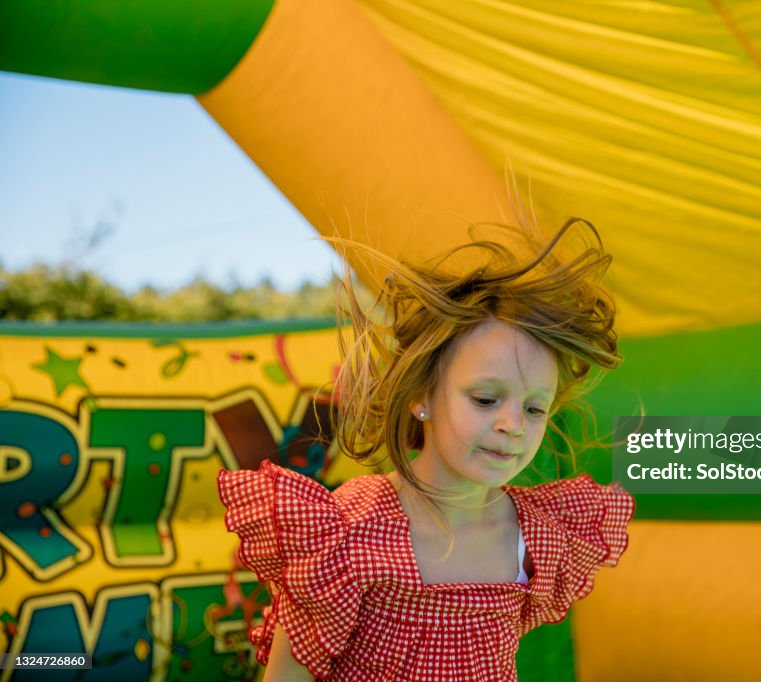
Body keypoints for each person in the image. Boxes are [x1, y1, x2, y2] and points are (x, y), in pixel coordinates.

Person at [217, 218, 635, 681]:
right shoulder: (346, 532)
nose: (513, 425)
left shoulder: (536, 537)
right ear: (421, 396)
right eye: (485, 399)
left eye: (535, 409)